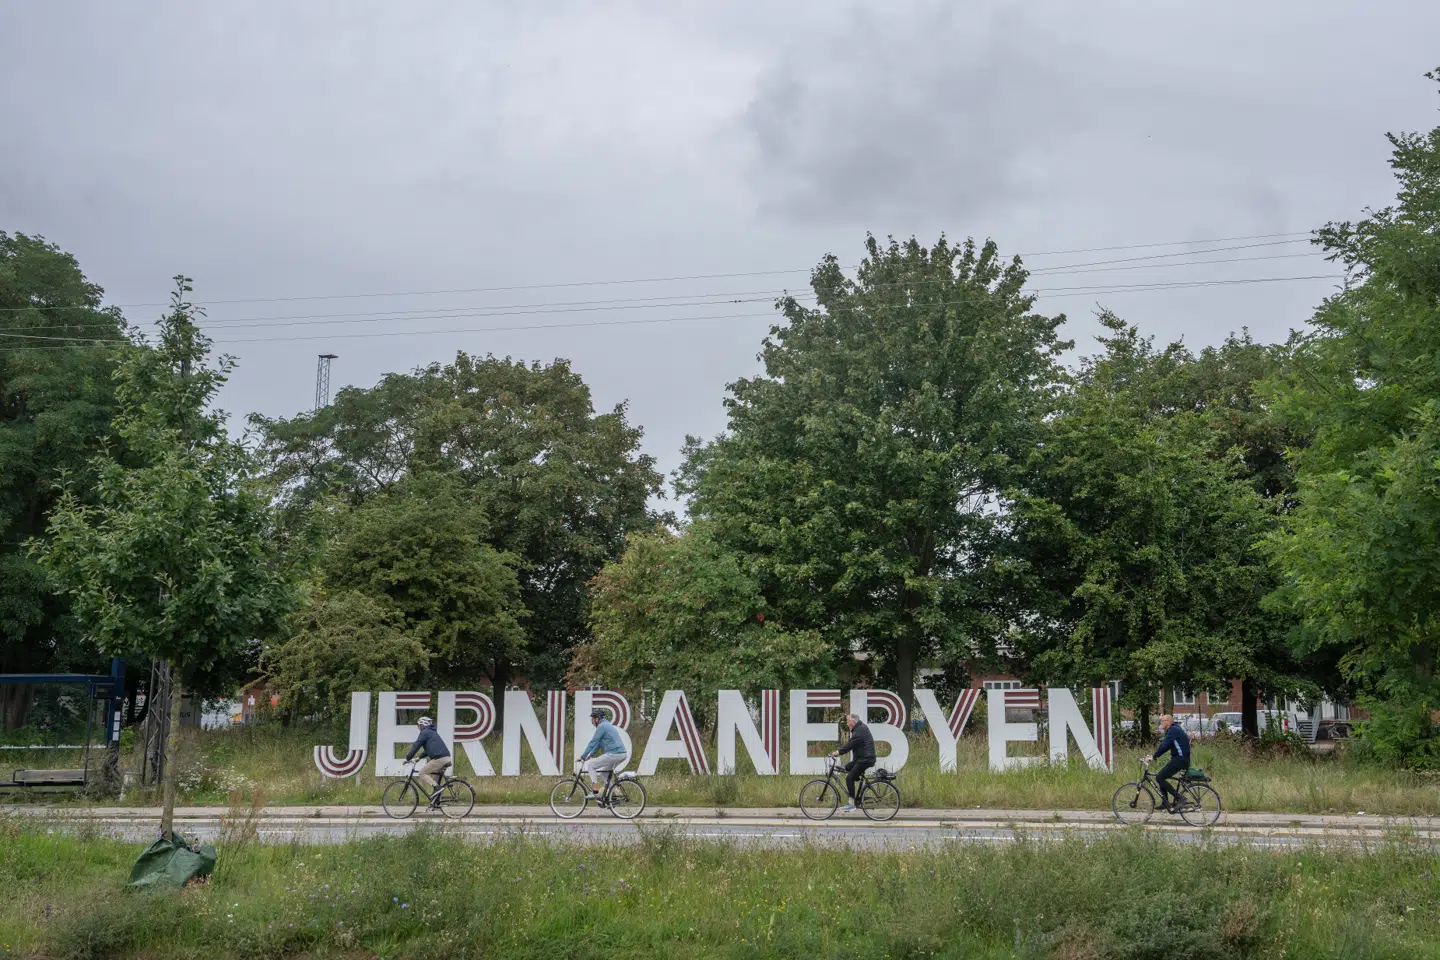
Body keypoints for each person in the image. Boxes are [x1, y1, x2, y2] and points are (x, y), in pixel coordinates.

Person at [578, 707, 629, 800]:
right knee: (603, 774)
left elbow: (593, 742)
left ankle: (595, 792)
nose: (592, 721)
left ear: (597, 718)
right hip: (621, 754)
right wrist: (591, 755)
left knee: (591, 766)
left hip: (614, 753)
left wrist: (582, 756)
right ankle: (612, 794)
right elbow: (599, 743)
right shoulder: (607, 725)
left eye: (592, 719)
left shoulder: (602, 726)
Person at [1144, 713, 1191, 813]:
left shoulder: (1173, 730)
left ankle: (1180, 798)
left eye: (1162, 721)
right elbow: (1167, 747)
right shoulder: (1174, 729)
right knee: (1161, 776)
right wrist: (1155, 756)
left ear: (1168, 722)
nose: (1161, 723)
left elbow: (1164, 745)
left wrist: (1153, 756)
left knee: (1159, 777)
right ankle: (1165, 803)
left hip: (1179, 759)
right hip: (1180, 759)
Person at [829, 712, 875, 813]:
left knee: (849, 777)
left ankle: (851, 803)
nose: (847, 724)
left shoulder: (858, 731)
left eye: (848, 721)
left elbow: (850, 745)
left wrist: (837, 752)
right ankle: (856, 795)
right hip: (862, 758)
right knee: (847, 768)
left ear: (853, 722)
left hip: (865, 759)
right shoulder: (859, 728)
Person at [404, 716, 452, 793]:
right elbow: (428, 750)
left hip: (439, 759)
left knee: (422, 773)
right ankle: (436, 801)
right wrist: (419, 757)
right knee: (436, 779)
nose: (418, 727)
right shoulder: (432, 732)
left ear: (423, 725)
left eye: (419, 725)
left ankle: (437, 788)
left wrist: (407, 758)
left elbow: (416, 746)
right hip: (446, 758)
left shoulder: (424, 733)